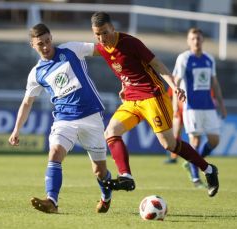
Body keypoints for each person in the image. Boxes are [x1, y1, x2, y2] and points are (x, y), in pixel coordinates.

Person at [90, 12, 219, 197]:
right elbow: (125, 67)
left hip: (152, 96)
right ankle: (126, 176)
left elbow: (156, 64)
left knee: (169, 144)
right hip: (131, 100)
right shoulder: (102, 48)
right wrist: (124, 85)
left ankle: (208, 170)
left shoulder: (131, 43)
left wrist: (174, 86)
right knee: (110, 132)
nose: (101, 38)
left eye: (104, 32)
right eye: (97, 34)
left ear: (113, 27)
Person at [8, 23, 113, 214]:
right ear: (33, 45)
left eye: (48, 41)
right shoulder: (36, 73)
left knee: (100, 171)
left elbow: (104, 50)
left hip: (91, 116)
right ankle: (52, 201)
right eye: (41, 44)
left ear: (52, 38)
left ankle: (106, 197)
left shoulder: (71, 49)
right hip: (64, 119)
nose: (46, 46)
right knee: (55, 151)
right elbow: (26, 103)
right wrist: (16, 129)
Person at [173, 28, 227, 188]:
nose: (196, 41)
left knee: (214, 140)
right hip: (191, 106)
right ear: (189, 41)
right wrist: (176, 106)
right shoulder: (184, 58)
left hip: (209, 106)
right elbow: (176, 82)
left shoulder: (209, 59)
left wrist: (221, 105)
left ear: (203, 40)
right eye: (193, 39)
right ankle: (196, 178)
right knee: (194, 140)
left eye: (198, 38)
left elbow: (214, 84)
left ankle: (192, 163)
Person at [163, 87, 184, 164]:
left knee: (194, 134)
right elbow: (170, 97)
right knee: (176, 134)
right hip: (178, 110)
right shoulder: (174, 83)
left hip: (187, 110)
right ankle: (173, 156)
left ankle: (197, 155)